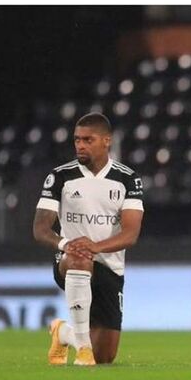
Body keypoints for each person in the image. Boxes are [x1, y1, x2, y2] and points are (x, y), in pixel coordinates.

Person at [32, 112, 144, 366]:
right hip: (69, 261)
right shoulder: (61, 176)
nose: (80, 145)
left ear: (106, 141)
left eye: (87, 140)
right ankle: (83, 350)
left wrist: (96, 246)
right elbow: (40, 228)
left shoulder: (127, 178)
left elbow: (130, 233)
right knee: (79, 258)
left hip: (110, 267)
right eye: (77, 140)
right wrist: (65, 244)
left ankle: (63, 332)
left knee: (105, 356)